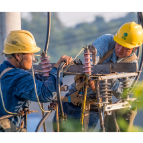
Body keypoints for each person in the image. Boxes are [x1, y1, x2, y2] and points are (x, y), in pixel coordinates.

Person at [53, 21, 143, 133]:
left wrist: (109, 78)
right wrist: (92, 74)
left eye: (126, 48)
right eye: (119, 44)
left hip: (92, 108)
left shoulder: (131, 65)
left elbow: (121, 93)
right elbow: (92, 58)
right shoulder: (108, 40)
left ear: (135, 48)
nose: (120, 49)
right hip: (71, 98)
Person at [0, 30, 72, 133]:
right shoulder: (18, 77)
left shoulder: (3, 71)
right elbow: (46, 94)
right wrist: (57, 69)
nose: (34, 59)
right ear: (18, 55)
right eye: (31, 54)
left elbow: (32, 81)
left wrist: (46, 76)